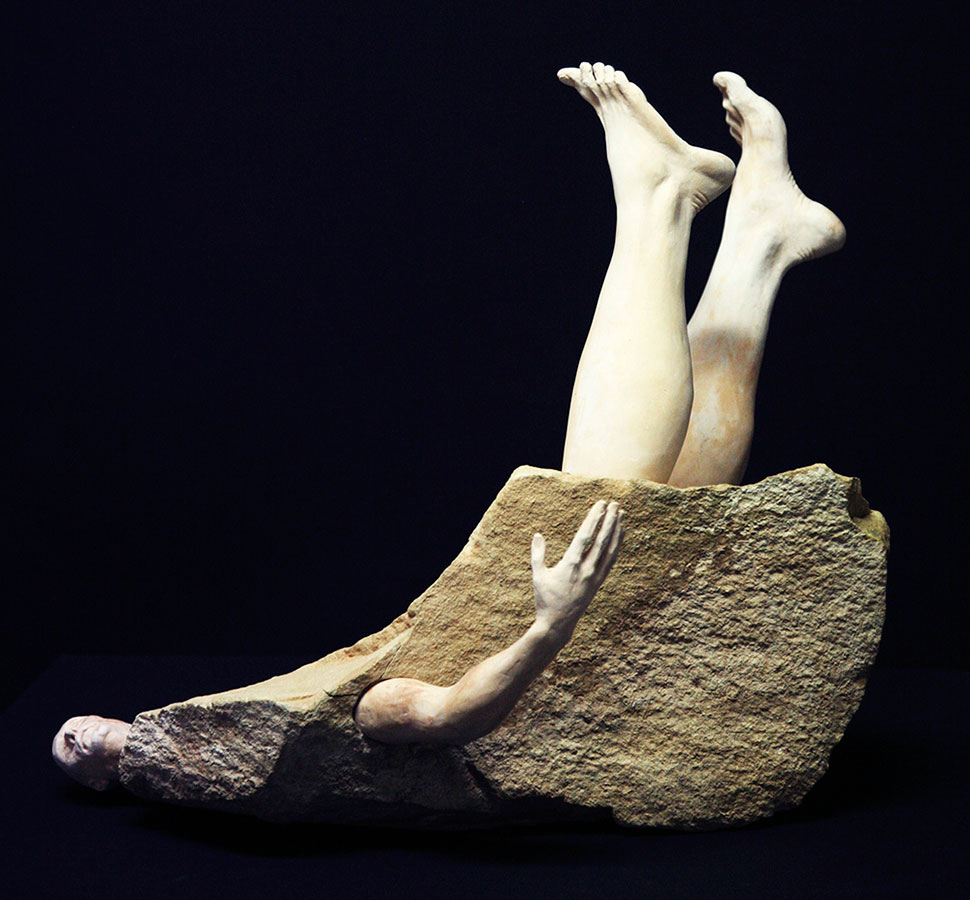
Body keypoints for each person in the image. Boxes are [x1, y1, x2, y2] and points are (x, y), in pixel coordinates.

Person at [52, 62, 844, 791]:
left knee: (655, 515)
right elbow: (447, 715)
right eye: (77, 749)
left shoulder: (277, 731)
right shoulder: (339, 731)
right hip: (565, 680)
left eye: (68, 735)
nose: (76, 736)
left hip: (578, 682)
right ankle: (678, 205)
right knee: (603, 506)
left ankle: (757, 241)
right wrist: (550, 625)